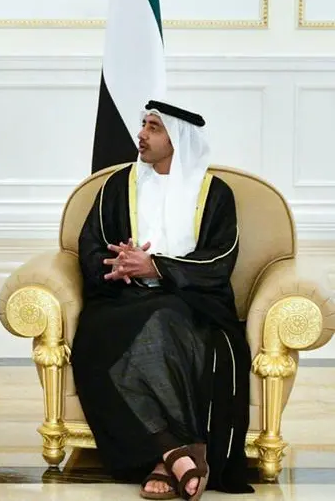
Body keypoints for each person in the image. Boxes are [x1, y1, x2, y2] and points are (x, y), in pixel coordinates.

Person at [70, 100, 255, 500]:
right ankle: (179, 453)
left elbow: (221, 258)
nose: (141, 135)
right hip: (120, 299)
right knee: (99, 340)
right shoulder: (118, 185)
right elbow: (91, 244)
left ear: (178, 139)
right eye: (144, 125)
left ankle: (164, 457)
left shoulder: (213, 193)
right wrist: (119, 265)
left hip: (190, 300)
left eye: (154, 128)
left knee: (165, 320)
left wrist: (157, 267)